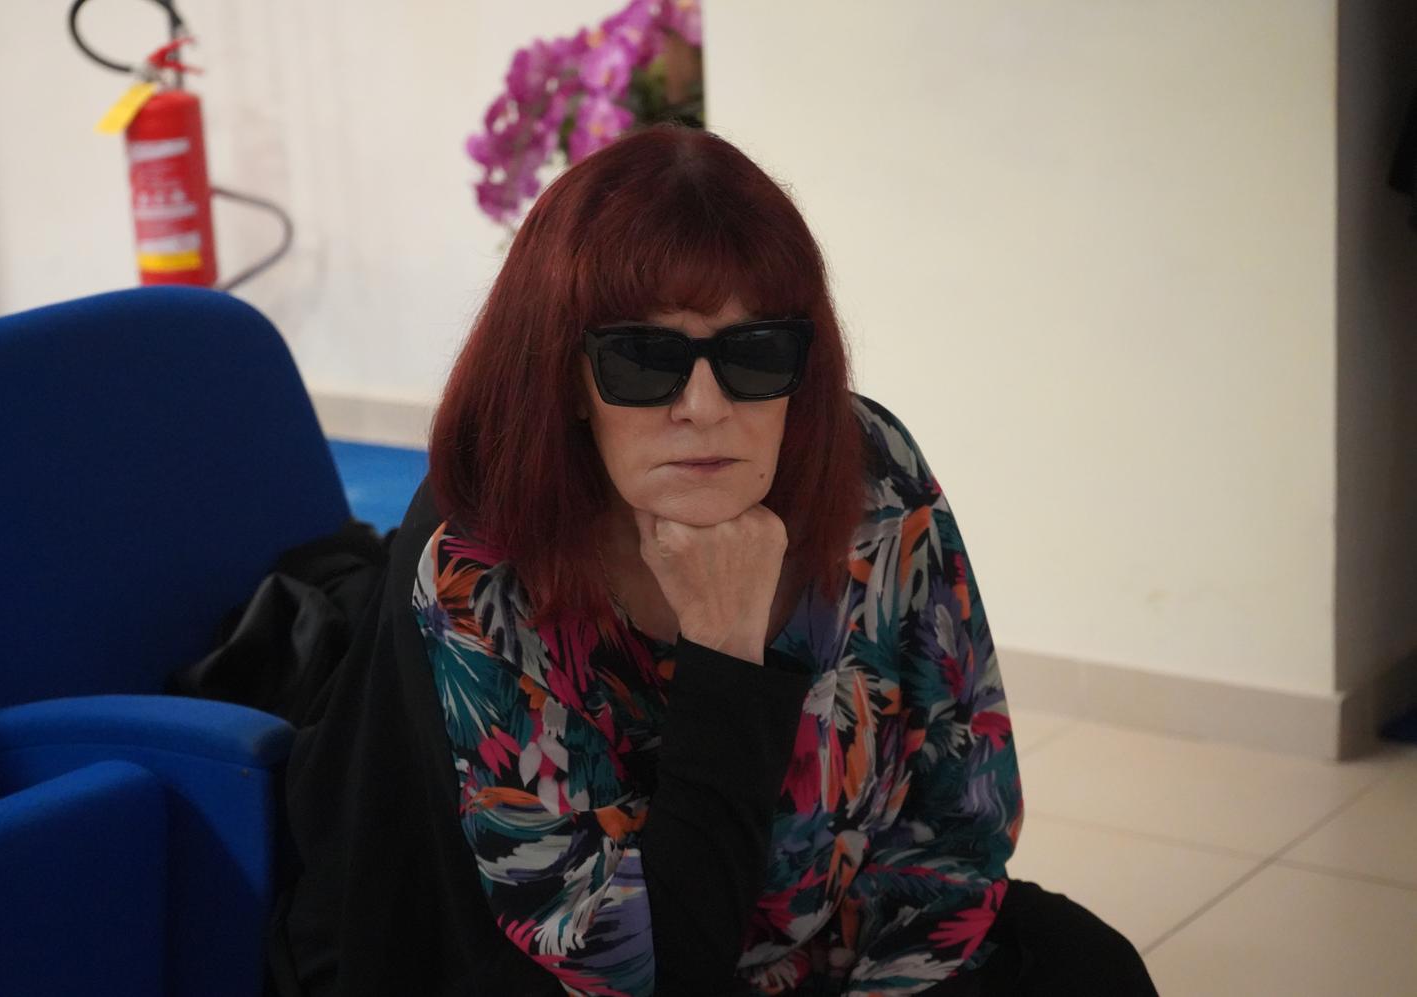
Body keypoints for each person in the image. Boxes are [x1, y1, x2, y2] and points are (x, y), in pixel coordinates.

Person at [270, 125, 1159, 997]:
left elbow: (963, 813)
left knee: (1091, 965)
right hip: (590, 977)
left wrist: (888, 973)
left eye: (754, 353)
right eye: (642, 359)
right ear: (566, 380)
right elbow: (646, 965)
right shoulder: (487, 570)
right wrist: (726, 650)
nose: (704, 405)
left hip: (838, 945)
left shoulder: (872, 474)